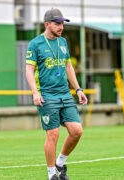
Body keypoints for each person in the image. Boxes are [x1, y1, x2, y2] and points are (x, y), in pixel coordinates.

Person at [25, 8, 88, 180]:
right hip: (47, 95)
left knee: (77, 131)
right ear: (47, 24)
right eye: (57, 23)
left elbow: (68, 67)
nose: (61, 27)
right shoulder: (36, 44)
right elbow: (29, 70)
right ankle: (51, 174)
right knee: (53, 133)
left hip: (65, 94)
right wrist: (35, 93)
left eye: (62, 23)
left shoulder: (63, 42)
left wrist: (78, 89)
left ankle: (60, 163)